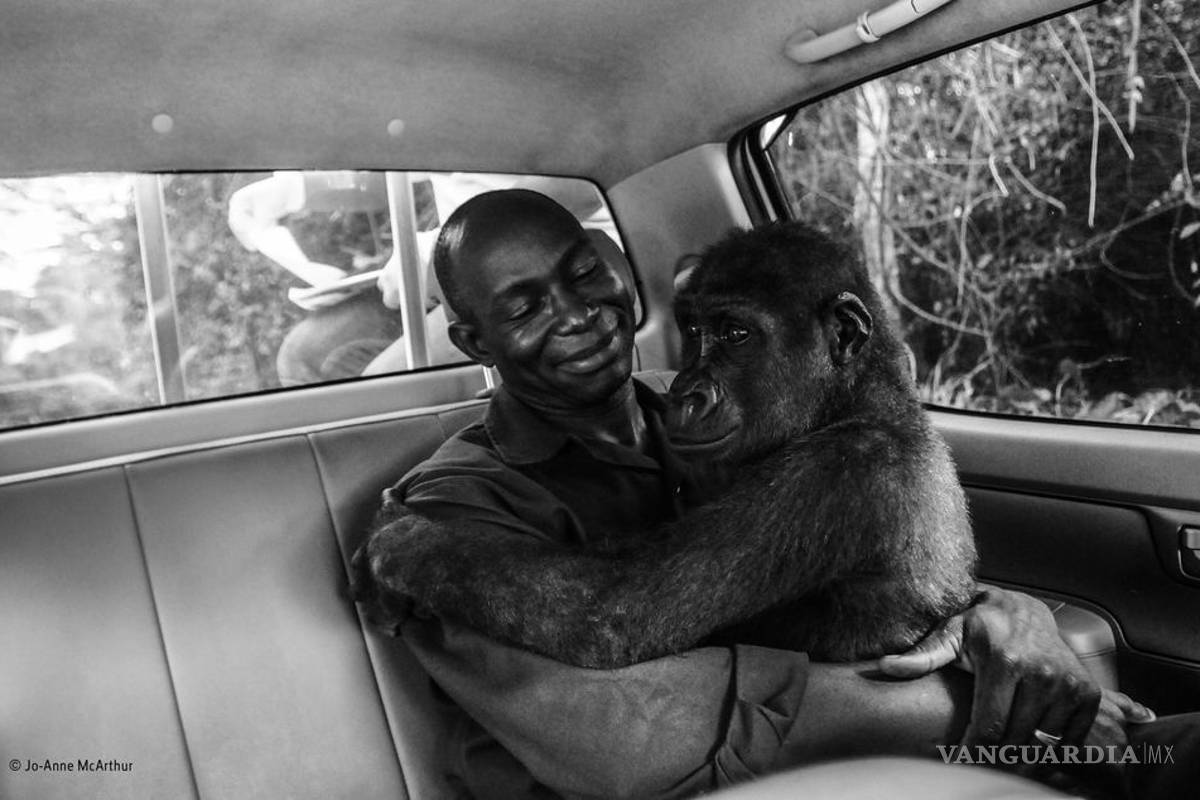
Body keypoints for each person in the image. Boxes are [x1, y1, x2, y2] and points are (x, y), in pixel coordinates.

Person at [354, 190, 1194, 799]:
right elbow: (631, 733)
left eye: (584, 275)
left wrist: (1000, 614)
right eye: (527, 305)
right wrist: (993, 720)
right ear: (474, 341)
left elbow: (850, 577)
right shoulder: (450, 508)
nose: (581, 314)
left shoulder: (722, 413)